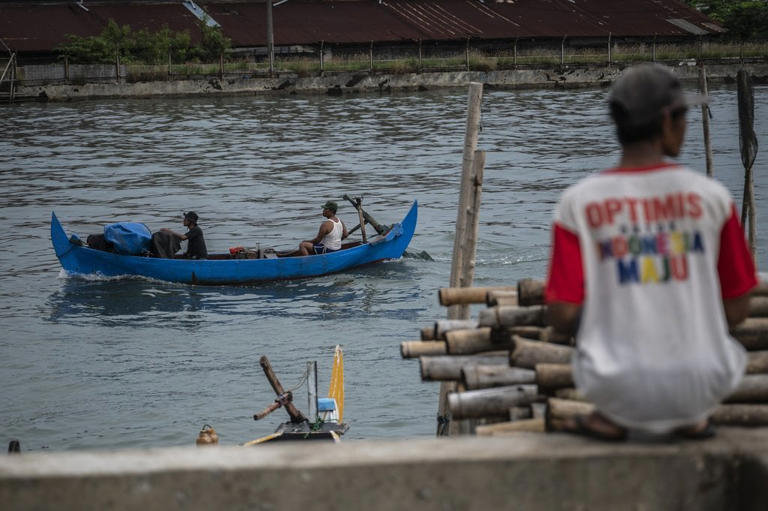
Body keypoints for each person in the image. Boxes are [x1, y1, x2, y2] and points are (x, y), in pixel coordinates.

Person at [545, 63, 757, 440]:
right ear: (665, 121)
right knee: (713, 362)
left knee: (606, 365)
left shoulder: (577, 203)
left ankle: (611, 417)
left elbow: (562, 313)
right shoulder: (712, 198)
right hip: (702, 383)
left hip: (615, 387)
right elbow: (738, 309)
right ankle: (691, 417)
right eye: (684, 115)